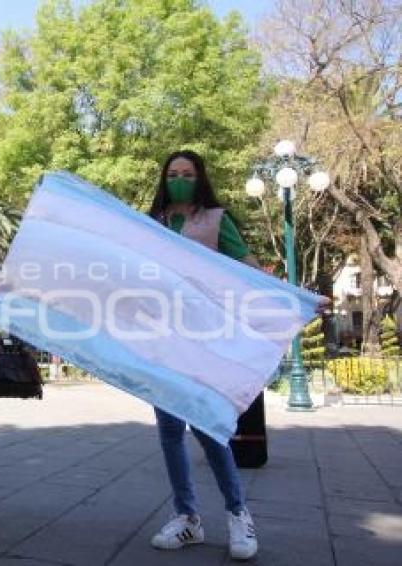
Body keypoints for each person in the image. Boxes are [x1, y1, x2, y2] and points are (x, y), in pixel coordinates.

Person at [146, 150, 261, 560]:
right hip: (161, 341)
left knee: (210, 428)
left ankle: (237, 514)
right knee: (170, 433)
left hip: (203, 340)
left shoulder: (215, 220)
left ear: (200, 178)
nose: (179, 179)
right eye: (173, 174)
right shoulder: (151, 225)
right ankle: (187, 518)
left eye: (187, 174)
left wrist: (293, 297)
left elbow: (247, 265)